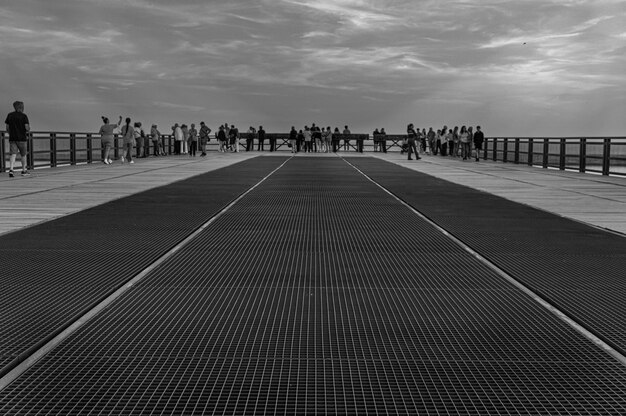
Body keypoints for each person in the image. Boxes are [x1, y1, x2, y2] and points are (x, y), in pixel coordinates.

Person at [5, 101, 31, 177]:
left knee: (13, 154)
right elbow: (26, 127)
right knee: (23, 155)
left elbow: (7, 128)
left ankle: (11, 170)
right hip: (22, 138)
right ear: (21, 107)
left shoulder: (10, 115)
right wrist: (28, 129)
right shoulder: (24, 116)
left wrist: (11, 133)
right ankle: (23, 170)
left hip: (12, 138)